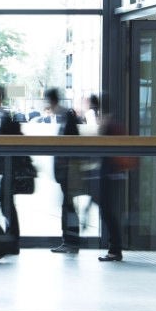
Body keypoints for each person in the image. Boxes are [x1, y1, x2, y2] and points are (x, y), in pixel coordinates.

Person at [45, 89, 86, 255]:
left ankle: (71, 242)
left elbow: (69, 144)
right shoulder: (64, 116)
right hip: (67, 171)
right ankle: (69, 241)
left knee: (68, 207)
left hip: (69, 171)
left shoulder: (67, 116)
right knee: (68, 206)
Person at [87, 94, 127, 262]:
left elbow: (102, 144)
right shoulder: (111, 121)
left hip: (109, 172)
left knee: (108, 211)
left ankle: (115, 249)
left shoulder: (107, 122)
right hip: (112, 172)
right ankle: (115, 248)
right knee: (107, 210)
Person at [0, 86, 25, 255]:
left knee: (6, 203)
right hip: (6, 168)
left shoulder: (3, 116)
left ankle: (13, 240)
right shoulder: (2, 115)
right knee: (6, 203)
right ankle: (13, 240)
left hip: (8, 167)